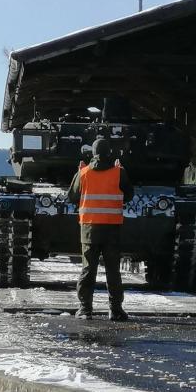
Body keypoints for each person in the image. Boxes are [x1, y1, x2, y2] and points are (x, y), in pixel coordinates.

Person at [67, 138, 133, 321]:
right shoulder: (118, 173)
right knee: (113, 271)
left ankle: (85, 309)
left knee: (88, 269)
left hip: (89, 230)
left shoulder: (84, 173)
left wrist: (79, 173)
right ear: (109, 153)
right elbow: (129, 195)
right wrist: (121, 171)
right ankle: (116, 310)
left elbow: (72, 196)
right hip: (111, 230)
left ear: (93, 153)